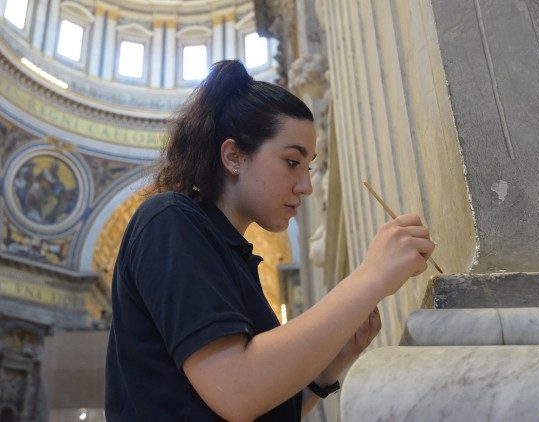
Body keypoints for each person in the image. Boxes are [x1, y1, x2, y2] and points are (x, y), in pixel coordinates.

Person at [105, 60, 435, 421]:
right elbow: (236, 391)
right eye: (292, 162)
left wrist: (330, 365)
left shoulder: (231, 254)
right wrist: (371, 277)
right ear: (233, 156)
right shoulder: (169, 219)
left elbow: (263, 406)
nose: (306, 186)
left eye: (308, 167)